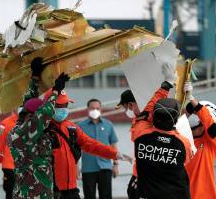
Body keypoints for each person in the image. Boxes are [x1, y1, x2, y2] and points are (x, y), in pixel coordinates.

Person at [43, 89, 125, 199]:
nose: (63, 109)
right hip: (50, 191)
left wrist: (114, 154)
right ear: (49, 105)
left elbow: (91, 144)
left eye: (65, 105)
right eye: (59, 105)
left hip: (71, 190)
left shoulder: (71, 128)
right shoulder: (40, 130)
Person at [7, 57, 70, 198]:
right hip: (33, 194)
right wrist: (55, 92)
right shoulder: (24, 132)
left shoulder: (20, 128)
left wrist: (35, 76)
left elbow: (29, 103)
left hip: (34, 192)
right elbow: (44, 113)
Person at [115, 63, 178, 199]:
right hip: (139, 173)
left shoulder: (147, 117)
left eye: (126, 107)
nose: (127, 111)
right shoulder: (138, 120)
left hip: (150, 176)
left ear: (131, 104)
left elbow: (154, 104)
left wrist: (167, 84)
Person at [131, 81, 193, 198]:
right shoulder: (183, 143)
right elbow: (187, 160)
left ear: (153, 117)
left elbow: (146, 112)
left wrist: (163, 89)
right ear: (175, 121)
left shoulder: (140, 134)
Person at [184, 81, 216, 199]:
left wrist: (191, 97)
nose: (192, 115)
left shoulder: (211, 141)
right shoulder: (182, 138)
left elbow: (210, 124)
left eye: (195, 112)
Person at [78, 98, 119, 199]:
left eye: (97, 108)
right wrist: (76, 167)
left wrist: (116, 165)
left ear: (101, 109)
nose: (95, 110)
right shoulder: (80, 126)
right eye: (92, 108)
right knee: (89, 196)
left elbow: (114, 145)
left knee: (106, 196)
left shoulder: (108, 125)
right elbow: (76, 149)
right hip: (88, 169)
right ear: (88, 109)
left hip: (105, 167)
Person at [0, 112, 17, 199]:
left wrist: (1, 159)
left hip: (9, 165)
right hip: (25, 165)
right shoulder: (33, 121)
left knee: (10, 192)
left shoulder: (4, 123)